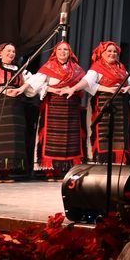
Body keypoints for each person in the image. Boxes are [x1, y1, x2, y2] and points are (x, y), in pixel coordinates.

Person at [0, 42, 43, 178]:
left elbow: (34, 81)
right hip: (0, 104)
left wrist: (20, 89)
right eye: (8, 51)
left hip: (16, 106)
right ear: (0, 53)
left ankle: (7, 170)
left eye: (13, 51)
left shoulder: (20, 70)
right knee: (0, 136)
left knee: (14, 137)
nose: (11, 53)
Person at [36, 41, 89, 177]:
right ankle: (50, 170)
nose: (62, 52)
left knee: (71, 138)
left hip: (72, 107)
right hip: (54, 104)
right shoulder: (48, 67)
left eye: (65, 49)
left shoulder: (77, 69)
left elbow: (86, 83)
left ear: (70, 52)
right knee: (53, 137)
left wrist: (73, 89)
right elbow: (37, 85)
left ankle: (66, 169)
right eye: (59, 49)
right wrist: (52, 89)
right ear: (55, 52)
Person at [83, 41, 130, 164]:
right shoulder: (96, 67)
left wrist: (128, 87)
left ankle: (119, 162)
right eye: (109, 51)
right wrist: (108, 89)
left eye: (115, 51)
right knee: (104, 133)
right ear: (102, 53)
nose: (112, 53)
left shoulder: (121, 67)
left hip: (120, 106)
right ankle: (103, 162)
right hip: (103, 104)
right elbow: (87, 84)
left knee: (120, 135)